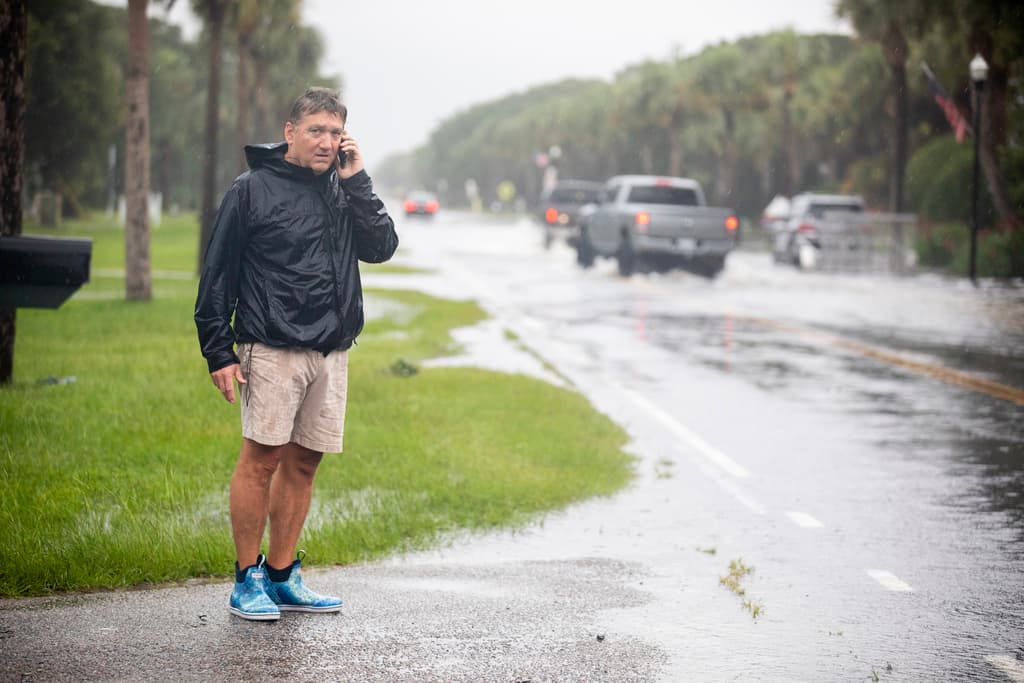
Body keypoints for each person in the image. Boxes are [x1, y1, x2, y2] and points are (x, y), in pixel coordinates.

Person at [194, 87, 398, 621]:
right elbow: (217, 274)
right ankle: (246, 580)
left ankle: (282, 577)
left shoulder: (343, 188)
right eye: (316, 131)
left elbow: (380, 247)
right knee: (260, 460)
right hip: (272, 344)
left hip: (331, 349)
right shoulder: (251, 190)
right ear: (290, 132)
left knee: (304, 464)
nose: (327, 142)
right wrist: (218, 350)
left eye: (335, 132)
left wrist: (358, 182)